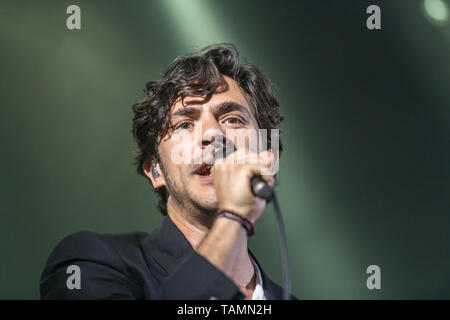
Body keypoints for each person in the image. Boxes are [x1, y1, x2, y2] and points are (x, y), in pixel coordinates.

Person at [40, 44, 296, 300]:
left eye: (233, 119)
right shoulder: (90, 263)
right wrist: (233, 218)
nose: (212, 134)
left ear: (268, 157)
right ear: (156, 171)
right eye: (184, 124)